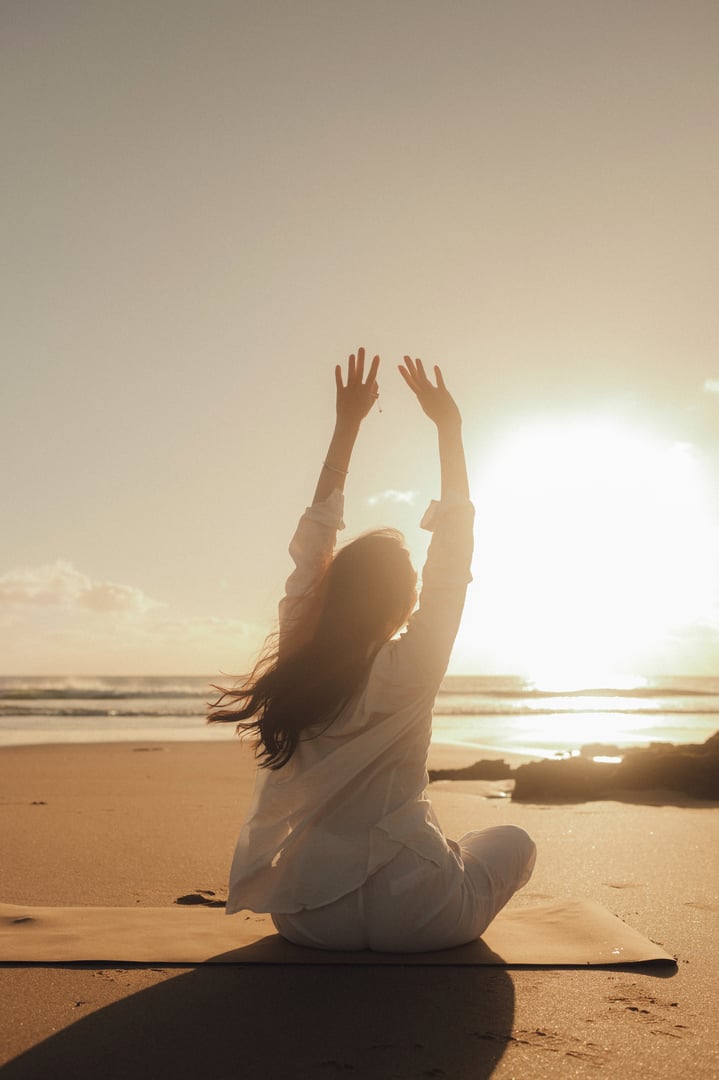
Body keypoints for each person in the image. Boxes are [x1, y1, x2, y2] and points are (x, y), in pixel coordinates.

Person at [209, 349, 536, 952]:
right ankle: (443, 856)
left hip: (309, 917)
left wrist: (347, 426)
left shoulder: (299, 661)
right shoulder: (412, 668)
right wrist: (449, 430)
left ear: (336, 592)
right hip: (420, 910)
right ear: (402, 606)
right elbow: (452, 562)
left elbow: (314, 548)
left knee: (456, 845)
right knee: (516, 841)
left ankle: (440, 853)